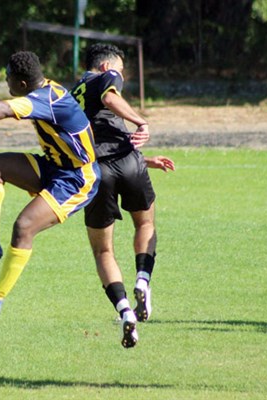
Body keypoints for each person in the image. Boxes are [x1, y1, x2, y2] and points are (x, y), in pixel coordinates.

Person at [0, 51, 101, 319]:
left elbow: (2, 109)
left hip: (78, 179)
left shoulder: (45, 99)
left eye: (8, 78)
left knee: (24, 227)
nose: (6, 83)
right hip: (54, 167)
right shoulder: (45, 90)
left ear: (22, 85)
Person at [70, 43, 175, 348]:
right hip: (128, 161)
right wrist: (142, 121)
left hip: (96, 169)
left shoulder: (69, 92)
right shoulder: (105, 78)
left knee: (103, 251)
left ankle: (125, 310)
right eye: (120, 71)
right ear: (107, 67)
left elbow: (94, 128)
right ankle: (143, 279)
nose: (121, 77)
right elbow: (109, 97)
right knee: (145, 224)